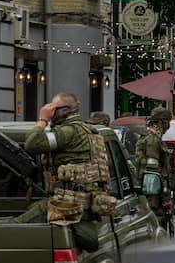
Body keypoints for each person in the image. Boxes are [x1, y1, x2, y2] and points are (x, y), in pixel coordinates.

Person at [14, 93, 116, 250]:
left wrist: (42, 119)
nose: (50, 111)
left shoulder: (68, 132)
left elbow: (33, 143)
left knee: (12, 228)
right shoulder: (89, 130)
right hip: (81, 202)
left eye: (53, 108)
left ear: (63, 111)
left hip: (67, 203)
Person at [135, 107, 174, 229]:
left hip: (149, 192)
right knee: (157, 226)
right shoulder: (153, 140)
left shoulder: (149, 137)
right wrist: (165, 197)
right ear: (163, 122)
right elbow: (153, 173)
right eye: (167, 122)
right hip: (154, 197)